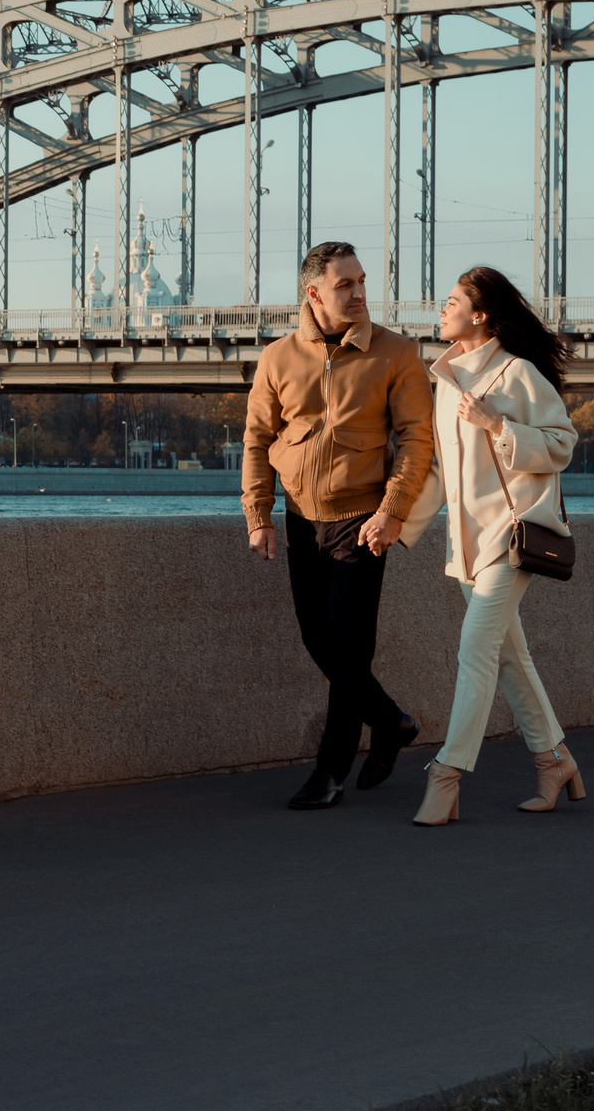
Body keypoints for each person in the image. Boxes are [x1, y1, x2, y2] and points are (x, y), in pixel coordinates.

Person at [244, 241, 436, 810]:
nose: (358, 293)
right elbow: (257, 440)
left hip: (364, 520)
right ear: (313, 293)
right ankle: (391, 722)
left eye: (361, 281)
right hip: (301, 518)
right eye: (344, 285)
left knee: (349, 650)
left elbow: (417, 442)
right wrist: (259, 515)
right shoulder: (278, 358)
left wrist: (391, 512)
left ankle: (328, 774)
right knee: (316, 639)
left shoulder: (396, 354)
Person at [411, 265, 583, 827]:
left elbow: (562, 444)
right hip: (466, 544)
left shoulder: (516, 374)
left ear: (479, 315)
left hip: (510, 539)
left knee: (475, 651)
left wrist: (498, 426)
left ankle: (446, 773)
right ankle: (555, 760)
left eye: (452, 301)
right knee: (510, 656)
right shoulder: (446, 381)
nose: (442, 309)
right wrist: (398, 527)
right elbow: (441, 472)